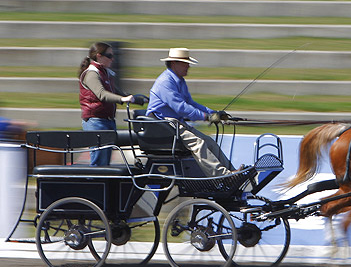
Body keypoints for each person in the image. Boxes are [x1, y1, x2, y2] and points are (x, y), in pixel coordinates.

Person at [146, 47, 236, 177]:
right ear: (173, 63)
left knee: (209, 142)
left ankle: (232, 173)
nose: (188, 66)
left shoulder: (179, 81)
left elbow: (191, 104)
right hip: (164, 124)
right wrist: (207, 117)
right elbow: (181, 108)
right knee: (198, 144)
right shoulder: (165, 82)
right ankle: (222, 176)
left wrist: (214, 113)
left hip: (175, 123)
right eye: (185, 63)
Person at [78, 42, 135, 166]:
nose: (112, 59)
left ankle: (103, 185)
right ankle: (94, 185)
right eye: (109, 56)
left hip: (107, 121)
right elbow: (101, 94)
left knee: (105, 162)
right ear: (99, 56)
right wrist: (122, 100)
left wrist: (137, 99)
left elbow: (115, 91)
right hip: (96, 121)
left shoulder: (105, 72)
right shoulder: (92, 73)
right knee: (99, 162)